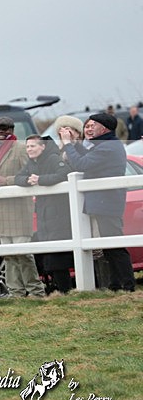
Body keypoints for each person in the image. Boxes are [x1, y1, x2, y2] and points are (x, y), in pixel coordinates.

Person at [61, 113, 136, 291]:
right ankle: (116, 284)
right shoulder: (105, 144)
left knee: (115, 246)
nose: (88, 128)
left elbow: (82, 164)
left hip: (107, 202)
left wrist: (67, 145)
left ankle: (128, 285)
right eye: (87, 125)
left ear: (104, 129)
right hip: (104, 202)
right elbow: (86, 156)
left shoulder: (108, 147)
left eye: (92, 125)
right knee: (109, 247)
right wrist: (75, 144)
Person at [0, 117, 44, 297]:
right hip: (3, 210)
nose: (1, 133)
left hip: (19, 208)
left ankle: (35, 290)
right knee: (9, 255)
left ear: (12, 130)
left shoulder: (20, 148)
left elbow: (29, 175)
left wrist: (7, 181)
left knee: (23, 253)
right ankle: (16, 292)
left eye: (5, 129)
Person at [15, 136, 73, 293]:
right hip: (44, 215)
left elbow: (64, 174)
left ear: (43, 147)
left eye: (33, 146)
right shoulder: (32, 163)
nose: (29, 149)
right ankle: (59, 291)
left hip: (59, 215)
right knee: (49, 256)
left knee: (59, 257)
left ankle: (65, 292)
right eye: (27, 147)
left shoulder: (53, 159)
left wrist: (41, 180)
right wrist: (28, 180)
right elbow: (18, 178)